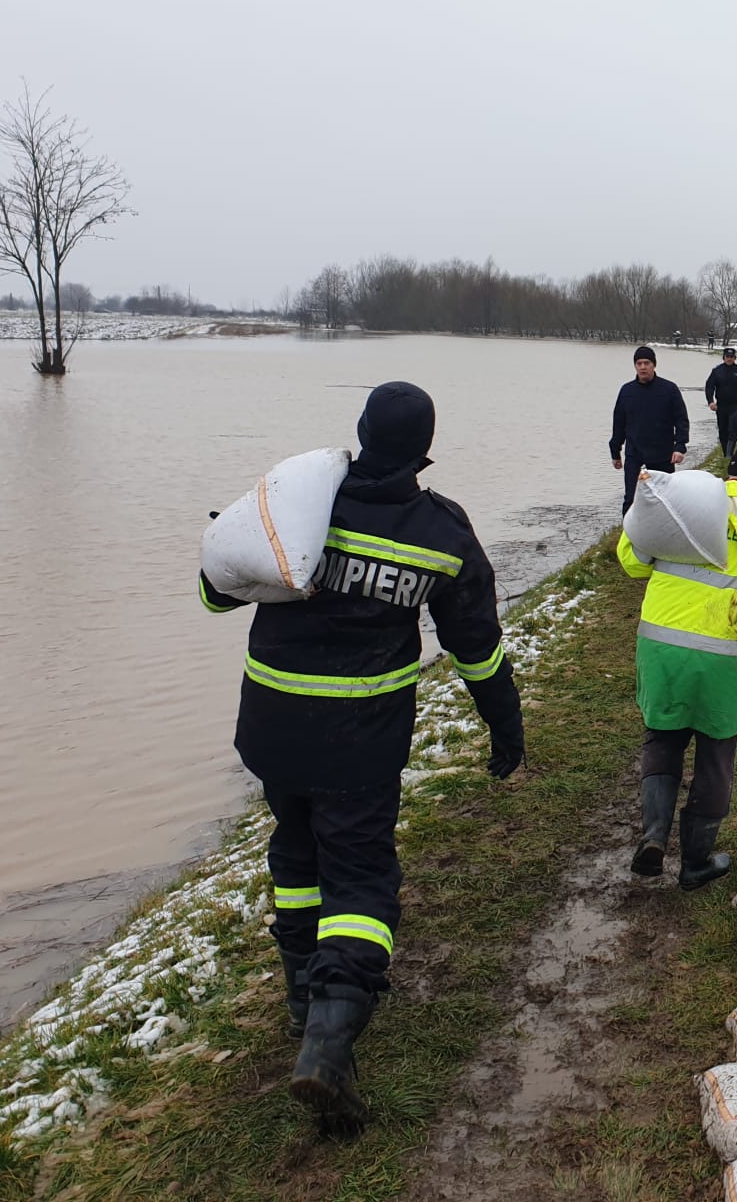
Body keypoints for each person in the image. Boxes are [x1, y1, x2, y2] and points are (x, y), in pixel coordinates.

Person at [198, 381, 525, 1135]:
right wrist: (504, 727)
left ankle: (300, 997)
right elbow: (475, 647)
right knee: (362, 879)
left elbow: (218, 593)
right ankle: (328, 1039)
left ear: (360, 432)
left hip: (275, 728)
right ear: (423, 452)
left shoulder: (300, 506)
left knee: (298, 854)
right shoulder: (441, 533)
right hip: (361, 740)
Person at [617, 428, 737, 889]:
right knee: (716, 756)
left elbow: (632, 560)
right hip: (727, 659)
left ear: (732, 464)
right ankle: (695, 862)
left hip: (662, 647)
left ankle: (654, 834)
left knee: (663, 737)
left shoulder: (685, 503)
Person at [611, 345, 689, 512]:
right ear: (635, 366)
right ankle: (629, 536)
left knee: (665, 499)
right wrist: (615, 452)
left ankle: (665, 535)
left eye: (647, 363)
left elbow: (681, 420)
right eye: (639, 363)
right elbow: (619, 423)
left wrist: (680, 447)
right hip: (635, 454)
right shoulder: (627, 391)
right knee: (631, 499)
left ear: (654, 365)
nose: (643, 367)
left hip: (663, 455)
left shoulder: (669, 390)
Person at [704, 346, 737, 460]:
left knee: (733, 429)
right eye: (727, 357)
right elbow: (709, 387)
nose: (729, 359)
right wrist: (710, 402)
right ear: (724, 358)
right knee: (722, 430)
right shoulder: (717, 371)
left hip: (736, 406)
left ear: (735, 358)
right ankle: (725, 452)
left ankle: (729, 455)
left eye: (732, 357)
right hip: (721, 406)